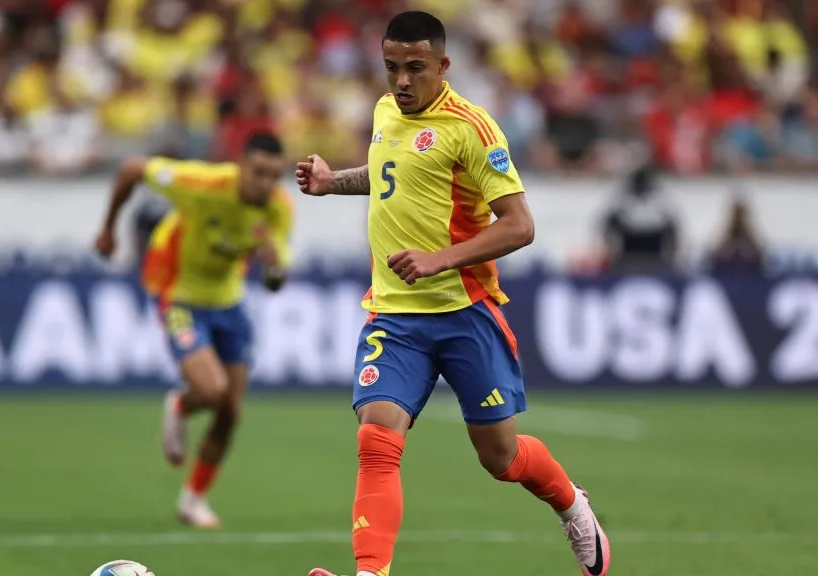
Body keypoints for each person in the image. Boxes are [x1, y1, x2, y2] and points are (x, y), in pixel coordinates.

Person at [295, 12, 610, 576]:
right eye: (392, 68)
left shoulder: (473, 127)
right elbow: (390, 170)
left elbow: (519, 225)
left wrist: (437, 259)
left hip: (466, 314)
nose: (401, 82)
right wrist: (330, 182)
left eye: (415, 68)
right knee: (377, 435)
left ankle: (572, 505)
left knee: (501, 458)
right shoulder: (386, 110)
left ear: (443, 65)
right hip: (394, 315)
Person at [94, 132, 293, 528]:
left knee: (231, 410)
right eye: (258, 173)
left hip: (228, 301)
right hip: (179, 292)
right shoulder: (202, 184)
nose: (265, 184)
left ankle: (193, 499)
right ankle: (181, 405)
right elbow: (132, 168)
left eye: (274, 176)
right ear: (240, 166)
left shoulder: (278, 209)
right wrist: (108, 229)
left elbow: (275, 281)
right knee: (212, 390)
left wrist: (272, 265)